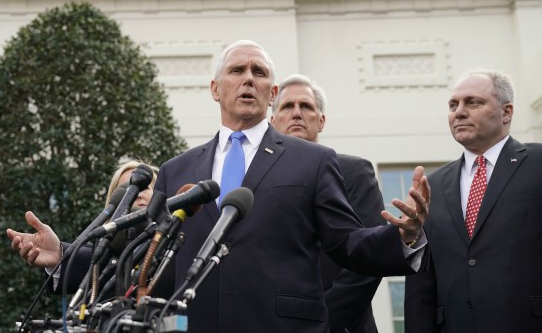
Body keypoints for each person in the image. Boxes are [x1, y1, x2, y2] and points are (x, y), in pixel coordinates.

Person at [154, 39, 430, 333]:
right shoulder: (176, 170)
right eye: (237, 70)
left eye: (258, 72)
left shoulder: (314, 161)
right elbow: (160, 265)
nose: (248, 78)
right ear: (215, 89)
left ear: (271, 93)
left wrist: (401, 237)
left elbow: (346, 241)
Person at [404, 70, 542, 332]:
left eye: (473, 102)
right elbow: (421, 284)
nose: (459, 112)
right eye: (453, 105)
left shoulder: (537, 164)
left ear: (506, 112)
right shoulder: (431, 185)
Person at [270, 74, 385, 333]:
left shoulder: (354, 172)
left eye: (306, 107)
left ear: (321, 121)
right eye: (287, 107)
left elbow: (368, 261)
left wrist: (321, 323)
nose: (296, 114)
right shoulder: (255, 181)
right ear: (272, 122)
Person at [6, 159, 158, 292]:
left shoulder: (176, 241)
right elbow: (89, 260)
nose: (137, 194)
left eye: (143, 187)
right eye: (127, 190)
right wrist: (58, 254)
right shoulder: (104, 251)